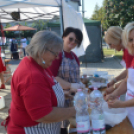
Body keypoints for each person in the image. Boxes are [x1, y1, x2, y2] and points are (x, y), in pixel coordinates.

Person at [5, 31, 76, 134]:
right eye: (55, 53)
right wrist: (75, 110)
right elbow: (44, 115)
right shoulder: (32, 76)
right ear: (41, 50)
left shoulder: (39, 65)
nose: (57, 57)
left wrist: (64, 94)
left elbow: (43, 93)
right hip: (31, 130)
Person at [49, 27, 85, 134]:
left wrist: (80, 84)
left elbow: (76, 77)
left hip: (72, 98)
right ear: (64, 37)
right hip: (59, 99)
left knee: (72, 126)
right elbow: (52, 78)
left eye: (76, 41)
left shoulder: (75, 57)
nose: (73, 42)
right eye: (71, 39)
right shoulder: (57, 55)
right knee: (61, 128)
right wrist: (70, 85)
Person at [104, 22, 134, 128]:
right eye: (130, 40)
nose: (110, 47)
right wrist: (114, 91)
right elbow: (128, 79)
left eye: (110, 44)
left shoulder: (129, 52)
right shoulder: (130, 53)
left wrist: (120, 104)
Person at [104, 26, 133, 94]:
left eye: (110, 44)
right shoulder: (126, 50)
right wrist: (114, 81)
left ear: (116, 39)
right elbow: (128, 71)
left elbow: (129, 79)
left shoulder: (128, 51)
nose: (111, 47)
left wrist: (114, 89)